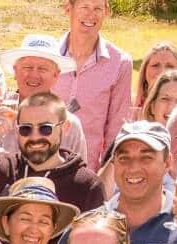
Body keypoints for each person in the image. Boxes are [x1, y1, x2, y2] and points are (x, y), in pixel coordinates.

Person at [0, 36, 89, 163]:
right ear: (15, 72)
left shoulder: (68, 124)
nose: (34, 75)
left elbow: (80, 179)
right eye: (27, 67)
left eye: (42, 69)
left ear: (56, 75)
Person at [0, 94, 107, 213]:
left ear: (65, 128)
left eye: (45, 128)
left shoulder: (87, 186)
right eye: (25, 129)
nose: (35, 137)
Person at [55, 0, 131, 167]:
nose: (91, 15)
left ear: (106, 11)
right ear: (69, 8)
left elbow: (117, 126)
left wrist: (105, 174)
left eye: (98, 8)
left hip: (87, 170)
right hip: (41, 166)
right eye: (84, 7)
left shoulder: (120, 63)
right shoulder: (49, 55)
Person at [101, 121, 177, 244]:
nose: (133, 167)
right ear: (114, 163)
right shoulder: (89, 226)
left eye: (146, 158)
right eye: (124, 158)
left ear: (167, 162)